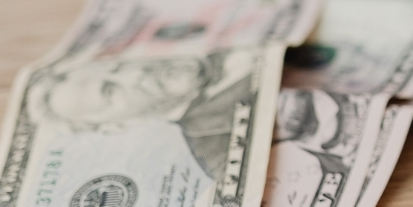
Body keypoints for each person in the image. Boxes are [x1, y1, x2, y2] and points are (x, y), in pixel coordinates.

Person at [30, 51, 260, 180]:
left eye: (117, 67)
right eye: (111, 92)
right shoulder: (219, 154)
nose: (136, 73)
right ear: (118, 126)